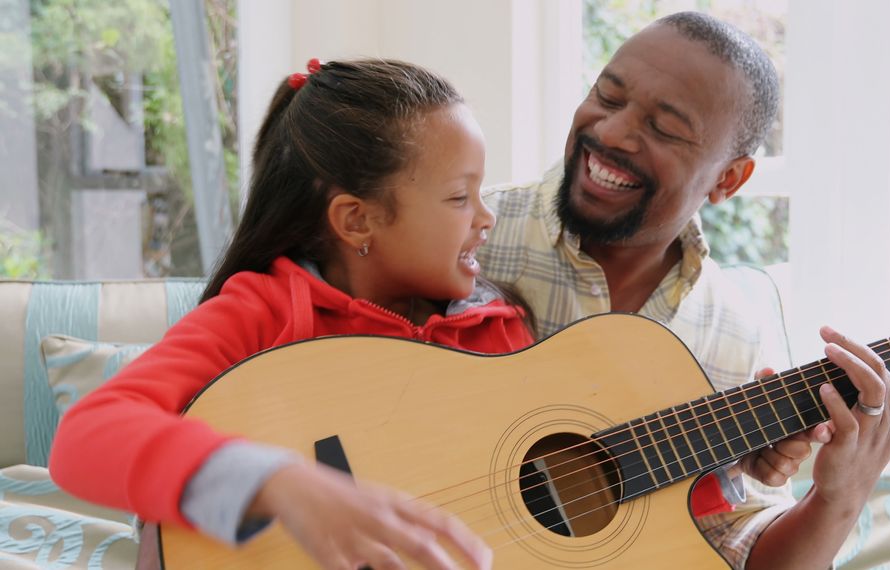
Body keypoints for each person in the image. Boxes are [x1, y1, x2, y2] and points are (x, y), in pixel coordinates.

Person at [49, 58, 535, 570]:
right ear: (357, 220)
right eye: (460, 197)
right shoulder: (260, 312)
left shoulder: (498, 330)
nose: (487, 217)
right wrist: (276, 483)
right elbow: (87, 436)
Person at [476, 11, 890, 570]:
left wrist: (839, 498)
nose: (609, 133)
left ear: (729, 180)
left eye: (664, 128)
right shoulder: (463, 233)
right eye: (606, 97)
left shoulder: (732, 336)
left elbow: (738, 551)